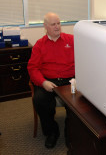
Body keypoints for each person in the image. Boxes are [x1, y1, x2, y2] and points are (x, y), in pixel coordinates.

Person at [27, 12, 75, 149]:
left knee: (80, 103)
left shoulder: (71, 40)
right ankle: (52, 132)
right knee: (40, 100)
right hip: (48, 81)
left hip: (69, 80)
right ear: (45, 26)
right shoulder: (40, 45)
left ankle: (70, 130)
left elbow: (83, 57)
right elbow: (32, 68)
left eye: (58, 23)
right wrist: (43, 82)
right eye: (53, 24)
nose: (57, 27)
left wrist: (78, 78)